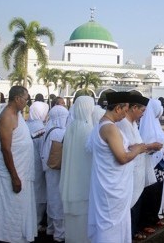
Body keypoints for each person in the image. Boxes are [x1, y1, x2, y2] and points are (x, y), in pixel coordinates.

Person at [87, 91, 148, 243]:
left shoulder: (103, 124)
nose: (125, 115)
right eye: (125, 110)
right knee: (111, 225)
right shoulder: (110, 128)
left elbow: (119, 149)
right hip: (112, 187)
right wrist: (138, 150)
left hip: (112, 184)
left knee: (116, 223)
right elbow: (122, 157)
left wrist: (136, 147)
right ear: (118, 109)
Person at [0, 85, 38, 242]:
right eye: (26, 99)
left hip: (23, 172)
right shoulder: (7, 117)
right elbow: (6, 149)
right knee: (11, 213)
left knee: (21, 211)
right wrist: (15, 177)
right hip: (13, 175)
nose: (27, 102)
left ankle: (19, 238)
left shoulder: (16, 114)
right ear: (17, 99)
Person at [115, 95, 163, 240]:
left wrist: (149, 148)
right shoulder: (123, 124)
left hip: (138, 170)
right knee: (130, 205)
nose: (143, 114)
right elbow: (129, 148)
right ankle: (129, 233)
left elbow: (137, 146)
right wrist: (149, 146)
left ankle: (133, 230)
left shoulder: (134, 123)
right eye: (142, 110)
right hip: (129, 171)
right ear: (133, 108)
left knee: (136, 203)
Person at [60, 96, 95, 243]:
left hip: (70, 181)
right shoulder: (87, 129)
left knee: (72, 223)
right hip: (83, 182)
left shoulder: (71, 126)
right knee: (82, 220)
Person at [139, 99, 164, 229]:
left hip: (160, 168)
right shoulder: (147, 128)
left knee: (158, 193)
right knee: (150, 194)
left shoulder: (156, 125)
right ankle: (147, 221)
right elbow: (146, 150)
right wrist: (162, 151)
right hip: (152, 168)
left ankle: (155, 217)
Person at [41, 105, 69, 242]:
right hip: (57, 170)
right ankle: (59, 234)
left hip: (48, 169)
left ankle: (51, 228)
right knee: (58, 200)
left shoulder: (47, 129)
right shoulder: (60, 132)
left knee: (51, 198)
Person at [26, 100, 50, 232]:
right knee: (39, 194)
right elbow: (43, 152)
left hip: (25, 165)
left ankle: (27, 222)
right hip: (37, 167)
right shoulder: (41, 128)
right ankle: (35, 224)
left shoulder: (24, 124)